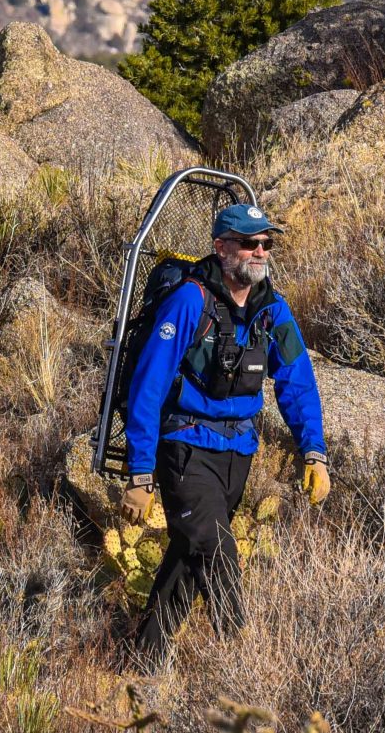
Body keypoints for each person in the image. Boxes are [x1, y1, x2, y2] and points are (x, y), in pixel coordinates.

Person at [120, 202, 330, 668]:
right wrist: (140, 472)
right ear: (221, 247)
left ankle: (141, 665)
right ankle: (242, 662)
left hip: (238, 455)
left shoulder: (272, 310)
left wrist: (313, 451)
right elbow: (148, 388)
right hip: (185, 449)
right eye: (249, 243)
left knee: (186, 560)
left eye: (266, 243)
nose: (260, 251)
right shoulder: (189, 301)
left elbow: (297, 382)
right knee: (215, 550)